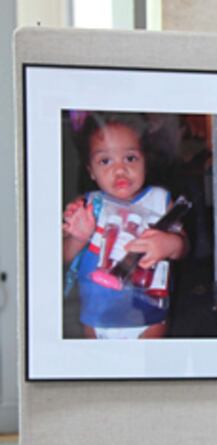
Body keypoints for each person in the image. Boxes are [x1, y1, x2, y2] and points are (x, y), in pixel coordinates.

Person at [62, 113, 187, 339]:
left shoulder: (160, 200)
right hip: (96, 318)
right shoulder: (89, 206)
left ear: (145, 161)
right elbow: (64, 257)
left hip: (148, 317)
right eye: (105, 161)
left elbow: (184, 245)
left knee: (145, 371)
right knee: (99, 370)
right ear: (90, 170)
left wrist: (171, 243)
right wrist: (78, 238)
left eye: (130, 158)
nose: (120, 170)